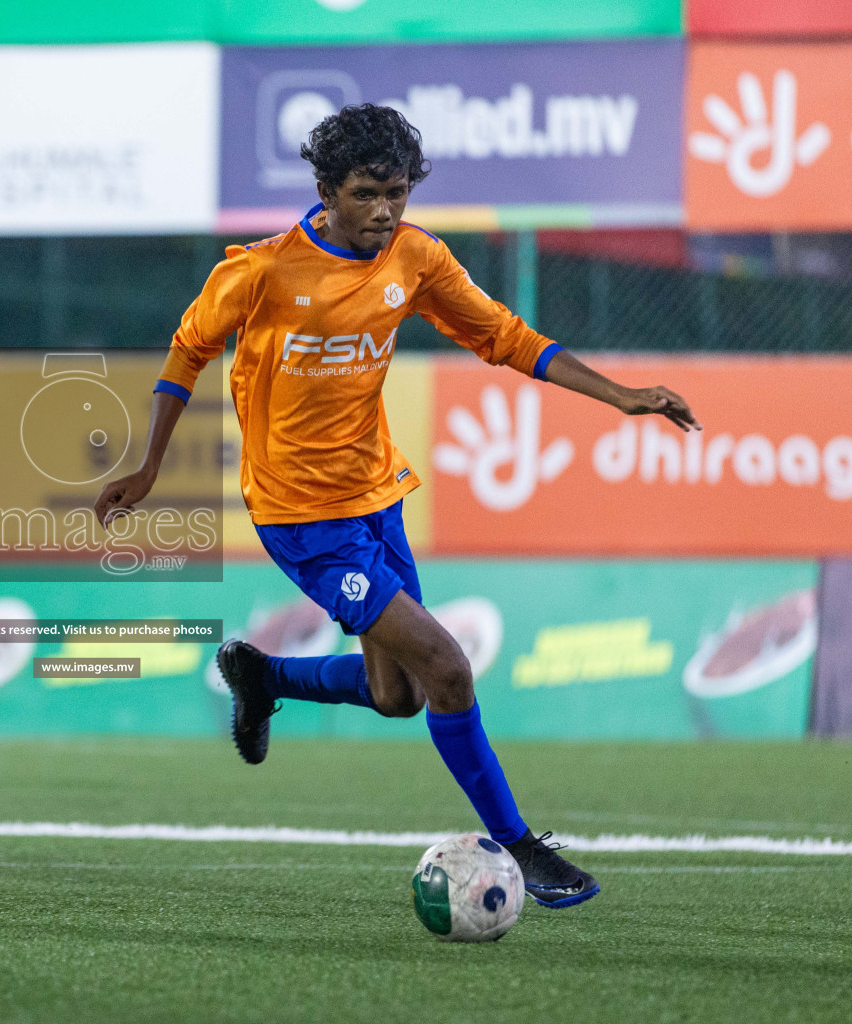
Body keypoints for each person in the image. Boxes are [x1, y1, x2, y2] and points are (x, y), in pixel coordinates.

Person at [93, 105, 701, 909]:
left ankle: (265, 675)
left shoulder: (414, 258)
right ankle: (521, 848)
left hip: (377, 499)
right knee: (447, 668)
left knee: (399, 696)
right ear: (326, 190)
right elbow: (187, 352)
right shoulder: (261, 272)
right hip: (303, 521)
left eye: (399, 192)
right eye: (368, 192)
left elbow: (507, 337)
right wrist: (147, 468)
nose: (386, 209)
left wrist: (620, 396)